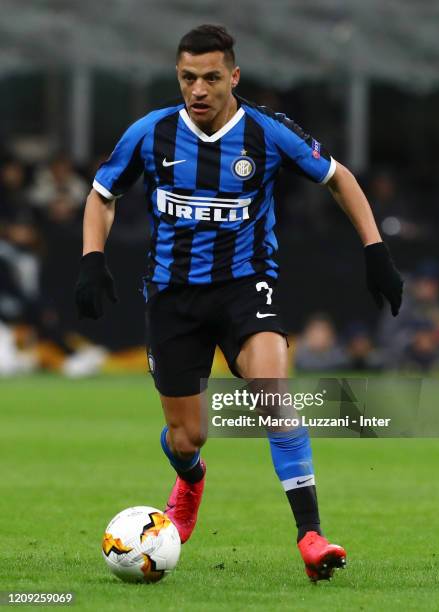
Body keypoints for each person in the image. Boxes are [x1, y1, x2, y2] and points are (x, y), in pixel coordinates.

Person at [75, 24, 403, 582]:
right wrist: (91, 258)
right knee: (187, 437)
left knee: (274, 396)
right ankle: (191, 478)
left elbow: (338, 177)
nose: (197, 90)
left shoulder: (268, 133)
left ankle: (311, 535)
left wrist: (375, 249)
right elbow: (102, 196)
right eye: (187, 78)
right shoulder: (149, 134)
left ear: (233, 76)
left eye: (209, 78)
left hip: (247, 286)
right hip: (173, 298)